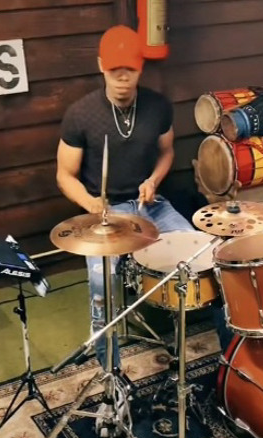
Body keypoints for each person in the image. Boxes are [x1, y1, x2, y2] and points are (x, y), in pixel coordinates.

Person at [56, 25, 203, 370]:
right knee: (101, 282)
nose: (122, 78)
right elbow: (64, 175)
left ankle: (191, 351)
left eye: (130, 69)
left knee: (196, 253)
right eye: (114, 70)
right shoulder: (80, 114)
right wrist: (91, 203)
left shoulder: (158, 106)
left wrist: (153, 180)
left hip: (151, 204)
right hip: (105, 211)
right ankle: (111, 370)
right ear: (100, 66)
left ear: (141, 68)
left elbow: (166, 152)